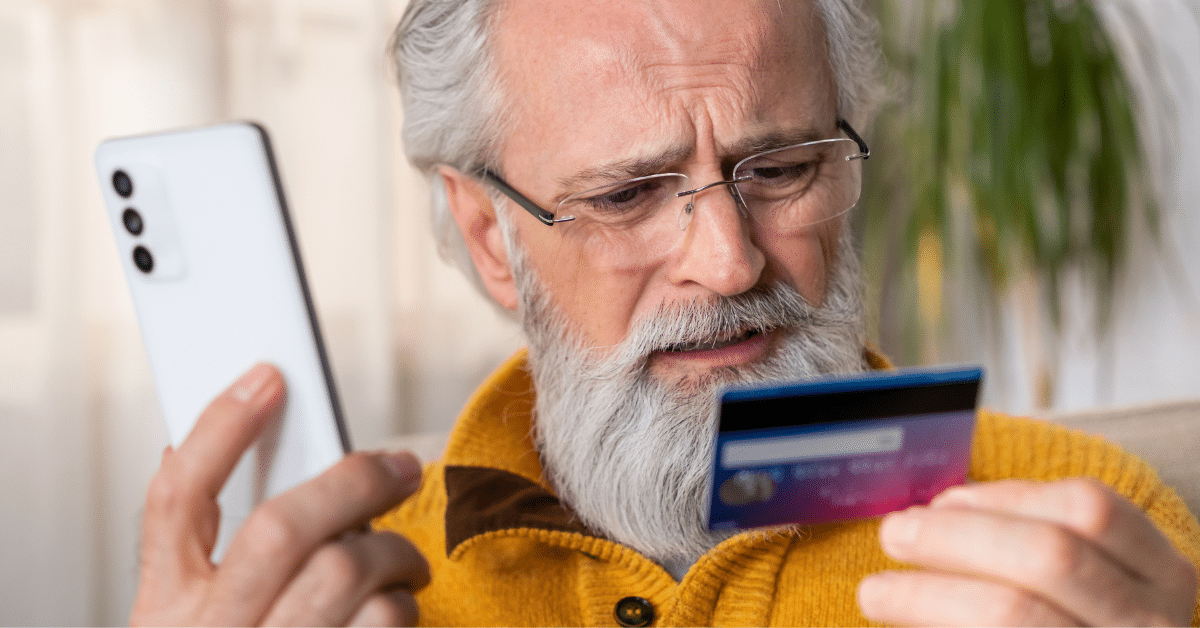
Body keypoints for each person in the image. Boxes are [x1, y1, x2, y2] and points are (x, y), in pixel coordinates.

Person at [129, 0, 1200, 625]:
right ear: (491, 236)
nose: (729, 263)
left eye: (780, 167)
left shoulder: (1088, 523)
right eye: (627, 194)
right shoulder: (353, 594)